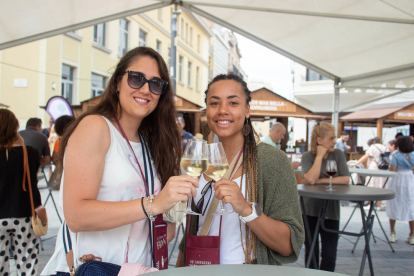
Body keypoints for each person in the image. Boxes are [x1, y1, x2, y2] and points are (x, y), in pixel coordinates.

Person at [42, 47, 199, 275]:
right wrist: (153, 204)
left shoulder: (149, 142)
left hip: (136, 269)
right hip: (95, 268)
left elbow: (163, 232)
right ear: (117, 82)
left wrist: (173, 208)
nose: (146, 89)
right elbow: (75, 216)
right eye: (136, 78)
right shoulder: (96, 126)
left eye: (156, 84)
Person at [176, 74, 304, 266]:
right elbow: (194, 232)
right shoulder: (201, 158)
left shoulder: (272, 161)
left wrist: (246, 209)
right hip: (199, 269)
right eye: (214, 103)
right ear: (207, 111)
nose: (223, 110)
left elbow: (289, 245)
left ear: (247, 110)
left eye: (233, 103)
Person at [0, 109, 45, 276]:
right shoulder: (29, 152)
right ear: (15, 128)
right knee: (27, 260)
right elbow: (35, 172)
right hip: (25, 213)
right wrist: (18, 140)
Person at [301, 122, 350, 272]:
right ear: (319, 140)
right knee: (311, 250)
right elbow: (310, 179)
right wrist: (320, 156)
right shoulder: (308, 156)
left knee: (329, 253)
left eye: (334, 138)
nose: (335, 141)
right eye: (331, 138)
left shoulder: (338, 155)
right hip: (309, 209)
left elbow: (346, 179)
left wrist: (320, 180)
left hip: (331, 210)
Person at [386, 136, 414, 245]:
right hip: (410, 181)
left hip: (397, 180)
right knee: (411, 205)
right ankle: (412, 235)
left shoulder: (396, 155)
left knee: (394, 204)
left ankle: (392, 233)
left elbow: (392, 170)